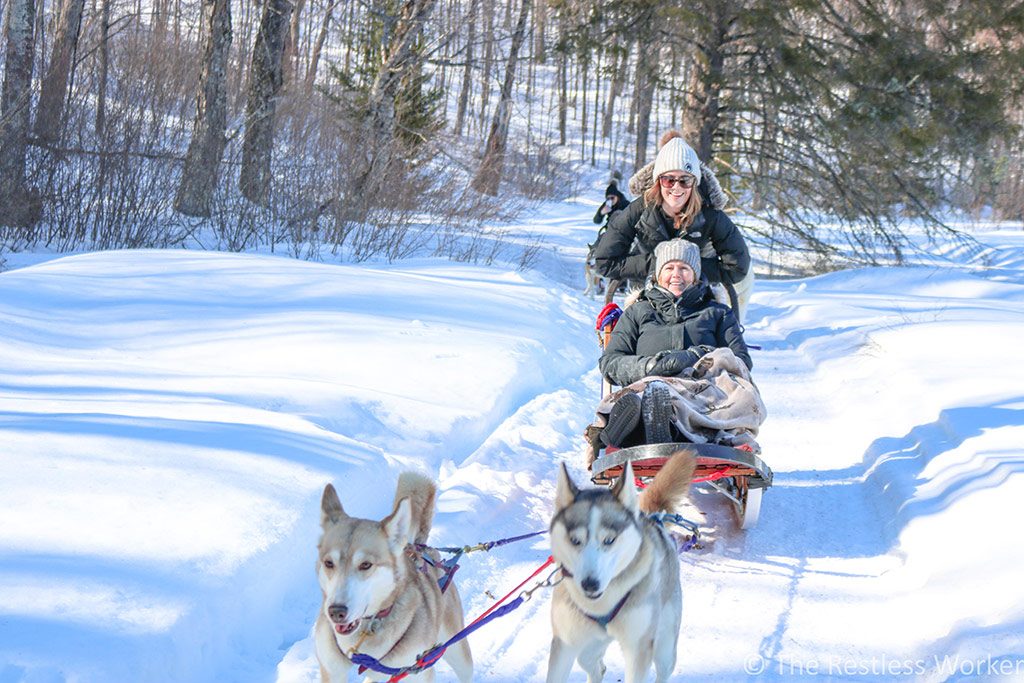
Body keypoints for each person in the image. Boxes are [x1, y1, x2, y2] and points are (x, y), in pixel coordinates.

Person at [595, 239, 758, 449]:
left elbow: (741, 362)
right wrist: (650, 367)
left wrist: (699, 357)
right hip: (647, 385)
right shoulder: (637, 312)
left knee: (733, 398)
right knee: (652, 393)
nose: (676, 274)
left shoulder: (717, 313)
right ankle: (639, 420)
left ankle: (648, 429)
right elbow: (610, 362)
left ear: (696, 275)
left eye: (684, 268)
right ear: (657, 274)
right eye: (669, 267)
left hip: (702, 395)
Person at [593, 131, 755, 323]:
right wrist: (656, 265)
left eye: (684, 180)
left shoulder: (709, 214)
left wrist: (690, 268)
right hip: (647, 295)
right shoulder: (640, 209)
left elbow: (737, 266)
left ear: (694, 182)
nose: (676, 187)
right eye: (669, 180)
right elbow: (605, 260)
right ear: (658, 180)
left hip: (696, 298)